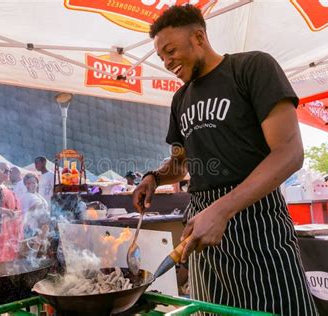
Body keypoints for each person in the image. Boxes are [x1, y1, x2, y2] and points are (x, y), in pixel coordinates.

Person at [133, 5, 317, 315]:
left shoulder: (252, 68)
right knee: (211, 310)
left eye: (170, 50)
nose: (167, 62)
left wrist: (222, 209)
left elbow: (289, 153)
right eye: (162, 58)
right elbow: (181, 163)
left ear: (199, 36)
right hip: (201, 225)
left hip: (256, 219)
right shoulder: (181, 99)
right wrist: (154, 177)